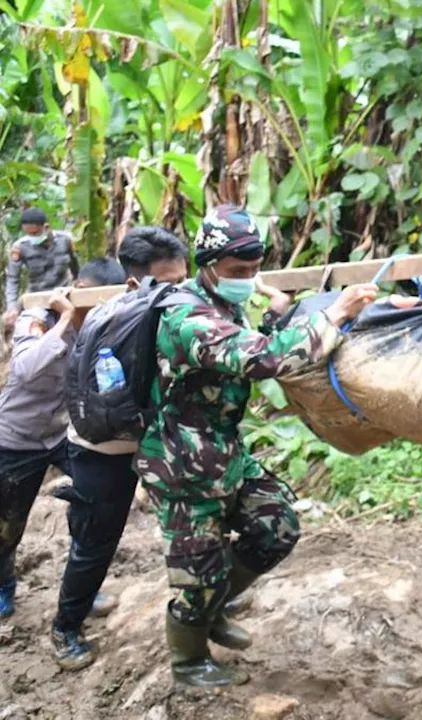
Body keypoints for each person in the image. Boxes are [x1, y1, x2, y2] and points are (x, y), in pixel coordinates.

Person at [135, 205, 376, 687]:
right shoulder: (185, 314)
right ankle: (189, 661)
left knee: (277, 525)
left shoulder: (223, 304)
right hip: (181, 462)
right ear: (208, 264)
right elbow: (262, 358)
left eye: (252, 271)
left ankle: (216, 602)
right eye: (237, 271)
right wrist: (334, 313)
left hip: (224, 452)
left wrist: (276, 314)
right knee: (195, 574)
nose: (247, 279)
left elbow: (247, 346)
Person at [49, 227, 193, 670]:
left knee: (95, 531)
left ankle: (85, 594)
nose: (179, 293)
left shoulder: (145, 311)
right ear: (134, 283)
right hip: (105, 448)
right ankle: (64, 628)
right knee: (96, 541)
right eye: (167, 285)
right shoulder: (123, 320)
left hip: (132, 440)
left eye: (183, 282)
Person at [0, 259, 127, 620]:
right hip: (16, 436)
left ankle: (85, 585)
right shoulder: (37, 318)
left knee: (93, 504)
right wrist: (69, 318)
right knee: (7, 523)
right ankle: (4, 585)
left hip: (65, 433)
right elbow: (25, 369)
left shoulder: (108, 322)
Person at [5, 207, 80, 328]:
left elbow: (76, 268)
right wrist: (12, 307)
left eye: (34, 233)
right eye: (28, 234)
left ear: (46, 227)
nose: (31, 237)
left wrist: (78, 286)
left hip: (64, 295)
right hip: (37, 299)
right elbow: (13, 279)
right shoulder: (20, 247)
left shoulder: (65, 240)